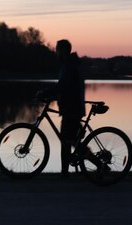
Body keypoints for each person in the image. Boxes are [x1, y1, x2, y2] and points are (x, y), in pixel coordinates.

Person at [38, 39, 85, 177]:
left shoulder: (69, 66)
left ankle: (65, 173)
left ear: (63, 51)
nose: (55, 52)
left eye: (57, 49)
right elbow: (66, 87)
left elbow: (63, 86)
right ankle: (68, 171)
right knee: (71, 141)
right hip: (72, 107)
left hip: (71, 109)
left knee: (66, 141)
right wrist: (54, 95)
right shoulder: (70, 64)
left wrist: (45, 92)